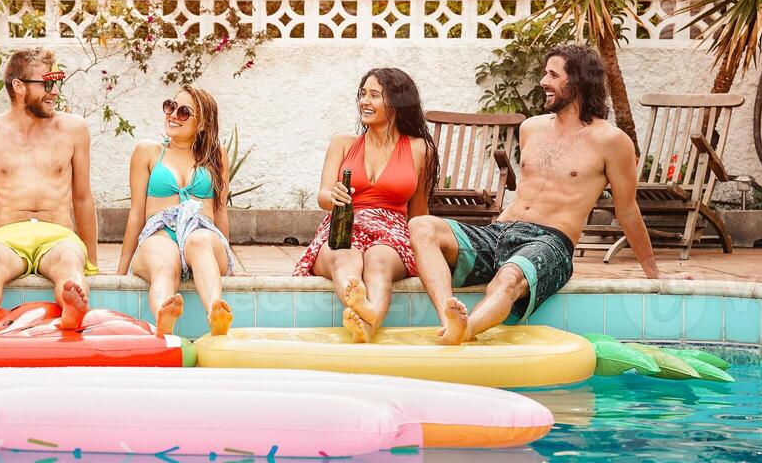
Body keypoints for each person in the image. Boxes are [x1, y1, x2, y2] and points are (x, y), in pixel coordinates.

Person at [410, 44, 695, 345]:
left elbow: (627, 210)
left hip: (550, 242)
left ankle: (464, 331)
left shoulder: (612, 141)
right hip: (500, 233)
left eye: (552, 75)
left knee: (508, 278)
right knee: (422, 226)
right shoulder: (531, 128)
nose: (543, 82)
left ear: (579, 82)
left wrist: (655, 273)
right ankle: (448, 321)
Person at [0, 48, 99, 332]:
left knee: (69, 263)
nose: (54, 92)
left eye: (57, 83)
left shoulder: (73, 129)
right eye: (47, 83)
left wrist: (92, 260)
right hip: (7, 235)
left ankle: (72, 310)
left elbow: (82, 197)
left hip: (59, 234)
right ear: (18, 86)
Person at [294, 68, 438, 342]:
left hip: (392, 232)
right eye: (362, 94)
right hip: (345, 224)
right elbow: (324, 196)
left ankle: (367, 321)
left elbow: (419, 212)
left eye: (374, 95)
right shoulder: (343, 143)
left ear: (396, 102)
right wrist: (334, 194)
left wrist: (427, 251)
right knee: (343, 255)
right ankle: (366, 314)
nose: (364, 101)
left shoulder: (421, 149)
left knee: (380, 261)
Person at [118, 85, 237, 338]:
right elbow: (137, 212)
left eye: (183, 112)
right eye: (170, 107)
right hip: (160, 233)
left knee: (201, 241)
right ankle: (164, 315)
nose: (172, 115)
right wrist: (121, 269)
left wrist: (233, 260)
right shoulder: (148, 152)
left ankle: (216, 313)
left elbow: (220, 211)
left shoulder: (216, 155)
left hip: (202, 232)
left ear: (202, 124)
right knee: (164, 265)